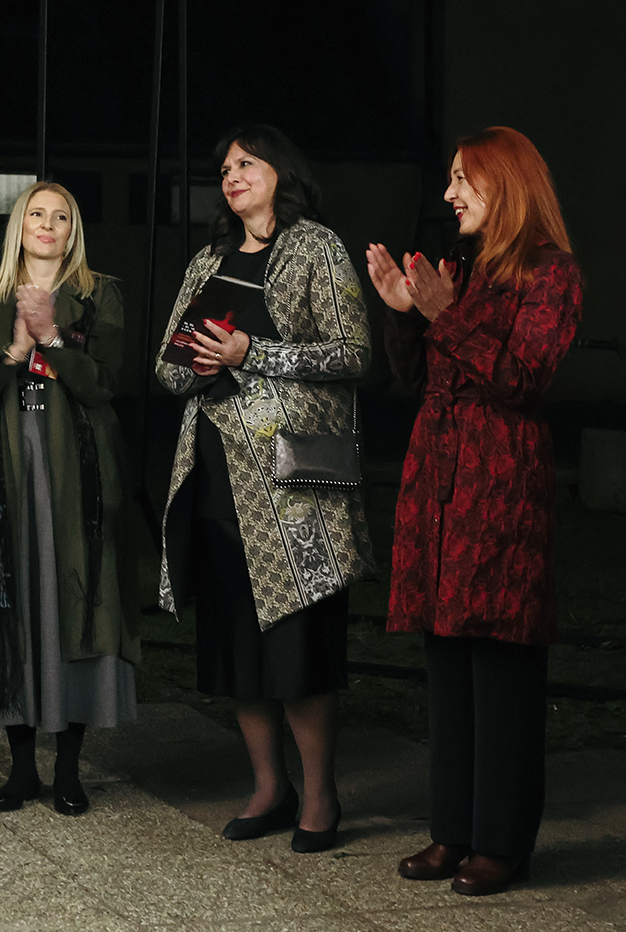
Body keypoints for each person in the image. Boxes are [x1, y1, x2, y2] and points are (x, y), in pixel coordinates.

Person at [365, 126, 581, 897]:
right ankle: (451, 831)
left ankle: (501, 842)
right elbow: (414, 376)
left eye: (464, 178)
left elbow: (522, 376)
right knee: (449, 665)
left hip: (500, 490)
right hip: (439, 484)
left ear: (506, 183)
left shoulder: (551, 273)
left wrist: (444, 314)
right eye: (451, 177)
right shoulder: (461, 269)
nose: (449, 192)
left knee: (501, 669)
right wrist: (405, 313)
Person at [155, 125, 372, 855]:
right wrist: (198, 363)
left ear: (283, 171)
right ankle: (269, 788)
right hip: (217, 477)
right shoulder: (208, 261)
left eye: (246, 163)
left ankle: (321, 797)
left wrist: (253, 352)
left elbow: (353, 353)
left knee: (298, 648)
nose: (232, 175)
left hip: (293, 484)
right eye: (225, 168)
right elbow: (166, 367)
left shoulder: (318, 247)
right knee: (237, 645)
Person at [0, 180, 138, 815]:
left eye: (61, 216)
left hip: (74, 465)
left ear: (73, 230)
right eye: (37, 214)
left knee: (74, 597)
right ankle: (22, 768)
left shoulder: (99, 293)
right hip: (6, 463)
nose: (48, 225)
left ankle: (70, 770)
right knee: (14, 600)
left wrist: (54, 337)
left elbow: (104, 385)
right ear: (20, 225)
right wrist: (16, 348)